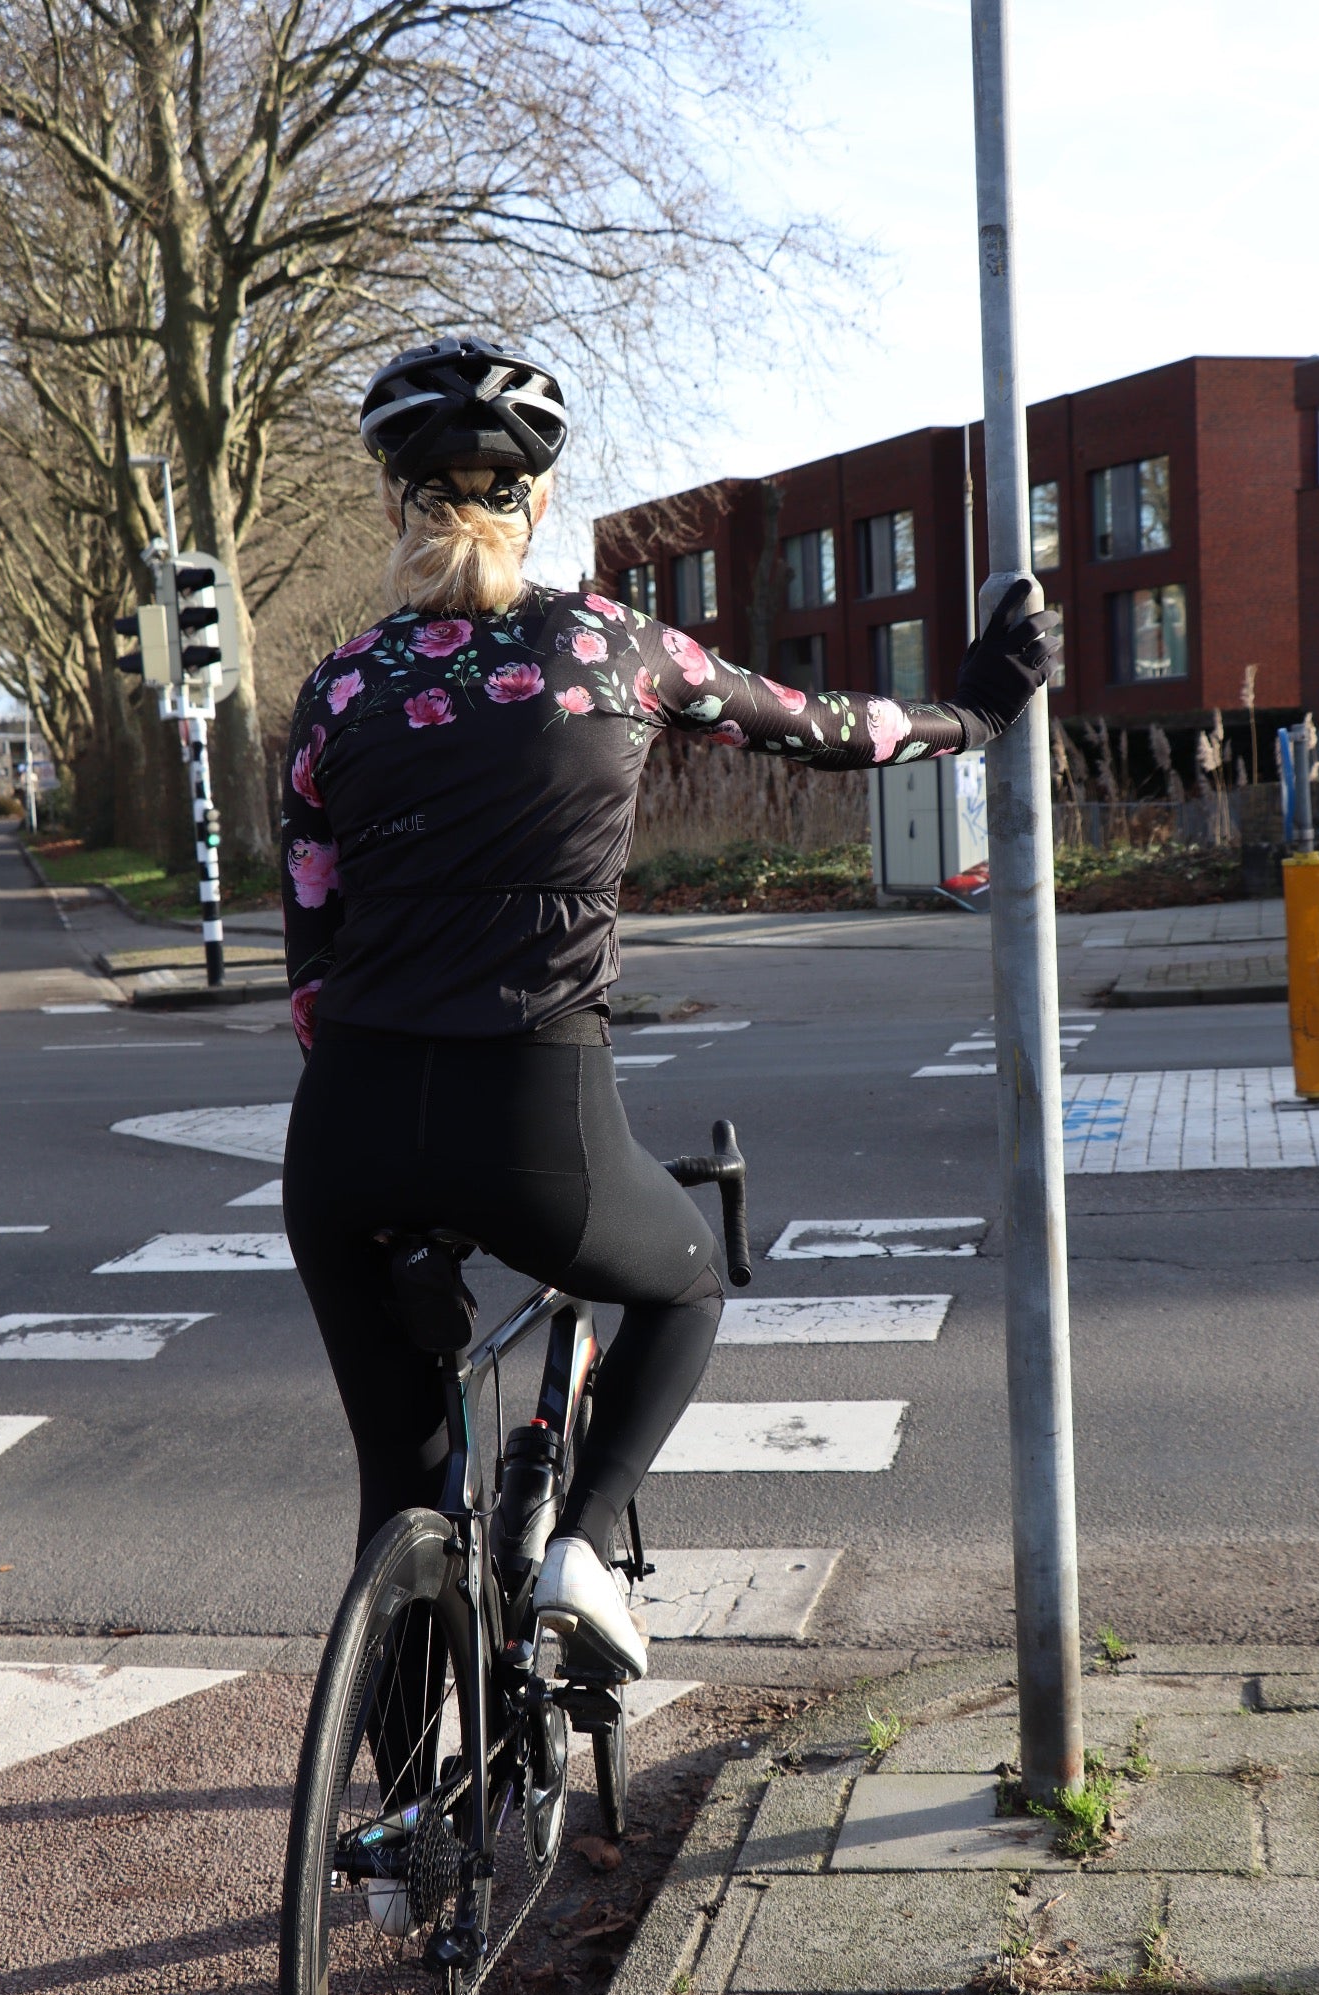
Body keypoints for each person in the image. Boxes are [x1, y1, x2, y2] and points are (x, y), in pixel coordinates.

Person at [280, 334, 1059, 1684]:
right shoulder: (609, 646)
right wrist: (978, 709)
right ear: (535, 500)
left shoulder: (336, 688)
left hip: (344, 1135)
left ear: (394, 501)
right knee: (687, 1281)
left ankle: (393, 1779)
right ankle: (581, 1546)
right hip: (532, 1125)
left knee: (397, 1490)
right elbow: (823, 725)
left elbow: (310, 956)